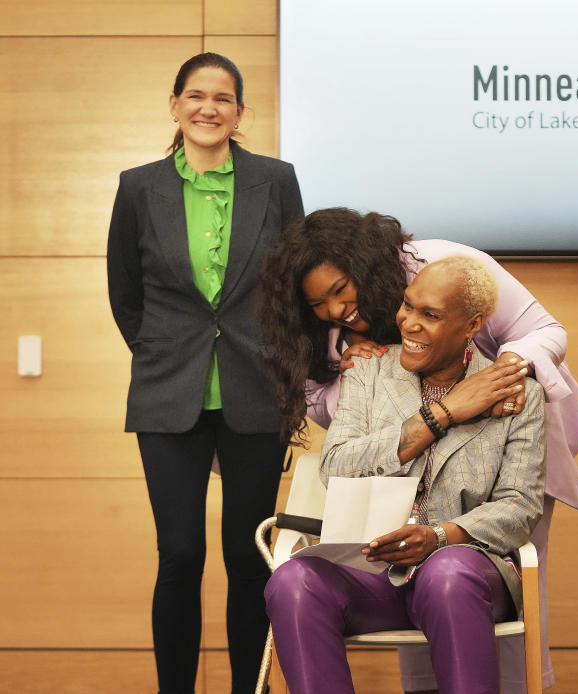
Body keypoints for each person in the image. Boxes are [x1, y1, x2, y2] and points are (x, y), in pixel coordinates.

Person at [258, 207, 578, 691]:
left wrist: (503, 375)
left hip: (466, 559)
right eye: (407, 308)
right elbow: (336, 460)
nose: (409, 323)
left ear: (473, 324)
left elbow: (517, 506)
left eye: (429, 315)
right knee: (292, 580)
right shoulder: (366, 372)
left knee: (449, 574)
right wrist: (441, 412)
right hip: (380, 564)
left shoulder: (514, 386)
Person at [106, 52, 304, 694]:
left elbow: (297, 285)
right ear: (174, 105)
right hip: (169, 395)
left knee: (249, 558)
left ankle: (250, 688)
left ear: (240, 113)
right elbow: (124, 293)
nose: (208, 108)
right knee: (180, 555)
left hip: (257, 390)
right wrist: (166, 352)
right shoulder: (139, 187)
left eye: (222, 98)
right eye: (195, 96)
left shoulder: (276, 180)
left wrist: (288, 364)